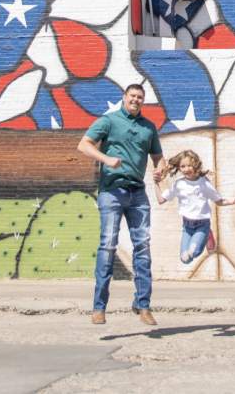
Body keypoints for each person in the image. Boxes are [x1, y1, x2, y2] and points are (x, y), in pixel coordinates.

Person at [77, 84, 165, 326]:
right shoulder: (109, 121)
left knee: (143, 247)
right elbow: (83, 144)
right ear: (124, 98)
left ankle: (143, 304)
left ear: (142, 101)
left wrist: (160, 168)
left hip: (137, 193)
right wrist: (106, 159)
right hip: (111, 192)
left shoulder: (149, 127)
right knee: (108, 246)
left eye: (140, 97)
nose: (135, 100)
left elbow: (158, 157)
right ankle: (99, 307)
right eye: (132, 96)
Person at [153, 150, 235, 264]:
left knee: (193, 251)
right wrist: (155, 183)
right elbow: (161, 200)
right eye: (183, 166)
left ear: (195, 165)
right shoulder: (178, 184)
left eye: (189, 166)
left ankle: (206, 234)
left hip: (202, 225)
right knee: (184, 259)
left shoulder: (204, 183)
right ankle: (206, 237)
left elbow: (219, 201)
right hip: (187, 227)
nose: (186, 169)